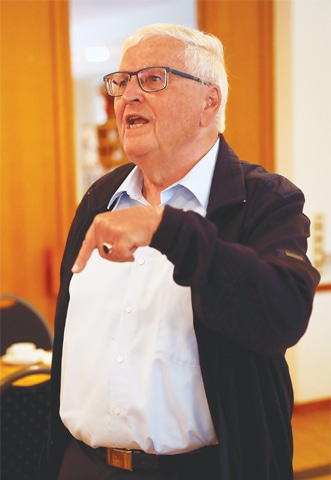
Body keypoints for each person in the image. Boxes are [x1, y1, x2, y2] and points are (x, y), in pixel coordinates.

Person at [45, 23, 320, 480]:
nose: (127, 95)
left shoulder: (266, 199)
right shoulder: (100, 198)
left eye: (152, 79)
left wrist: (167, 228)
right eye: (121, 81)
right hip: (83, 465)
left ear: (209, 102)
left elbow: (283, 312)